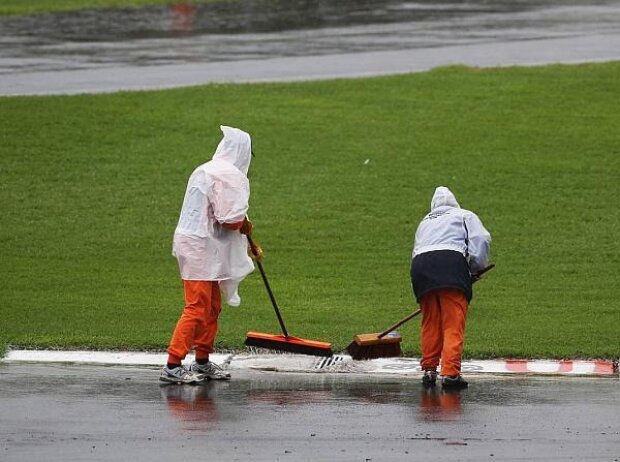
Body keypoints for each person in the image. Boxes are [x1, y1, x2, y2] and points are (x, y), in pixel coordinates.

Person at [160, 125, 255, 384]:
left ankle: (202, 361)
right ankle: (172, 365)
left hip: (200, 246)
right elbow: (227, 219)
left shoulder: (208, 169)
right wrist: (243, 226)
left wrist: (242, 225)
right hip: (199, 248)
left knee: (211, 306)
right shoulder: (226, 174)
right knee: (197, 308)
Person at [410, 186, 491, 389]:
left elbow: (418, 250)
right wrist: (475, 268)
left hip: (420, 269)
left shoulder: (424, 222)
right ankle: (451, 373)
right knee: (452, 322)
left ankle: (429, 369)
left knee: (431, 320)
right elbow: (480, 241)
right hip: (450, 265)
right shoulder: (464, 215)